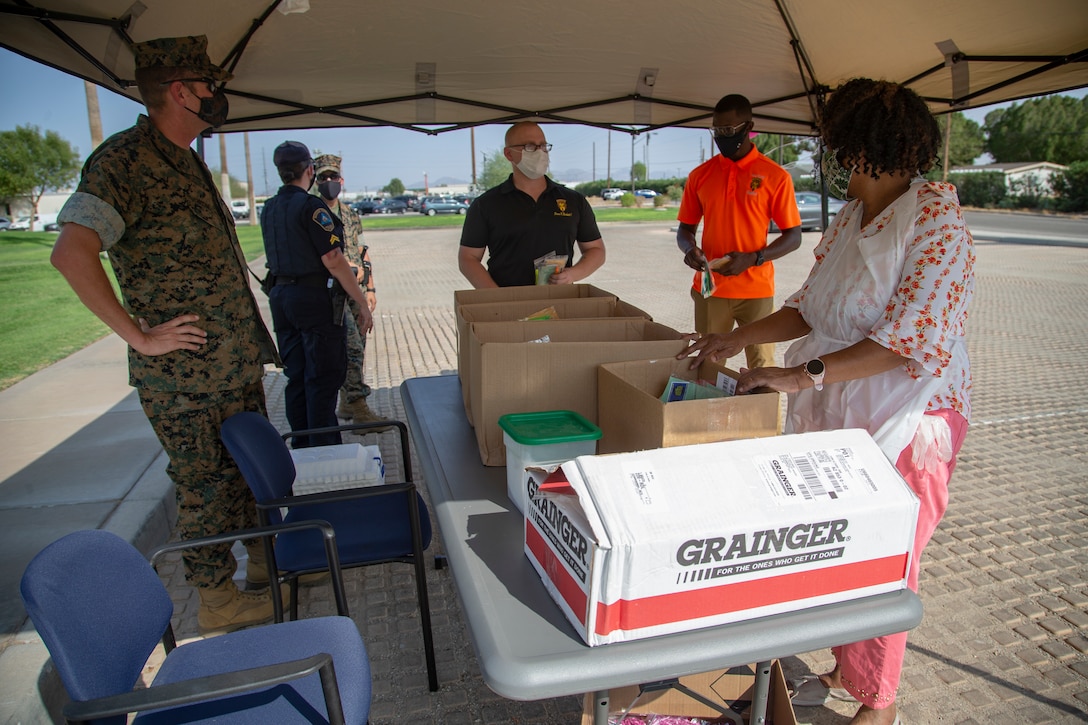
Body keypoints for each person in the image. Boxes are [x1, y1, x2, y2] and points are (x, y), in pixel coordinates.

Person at [681, 78, 975, 725]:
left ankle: (880, 703)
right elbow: (806, 308)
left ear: (862, 147)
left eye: (838, 146)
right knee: (844, 550)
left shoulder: (935, 218)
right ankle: (851, 667)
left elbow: (909, 344)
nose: (833, 158)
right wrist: (733, 337)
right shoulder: (851, 216)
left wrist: (797, 377)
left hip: (909, 421)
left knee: (886, 559)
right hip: (844, 413)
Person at [50, 35, 282, 635]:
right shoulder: (124, 160)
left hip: (229, 365)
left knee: (244, 474)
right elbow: (72, 253)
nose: (218, 97)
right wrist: (141, 337)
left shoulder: (184, 156)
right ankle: (218, 602)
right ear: (181, 92)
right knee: (204, 483)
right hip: (186, 378)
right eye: (210, 86)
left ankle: (264, 562)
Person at [676, 94, 802, 370]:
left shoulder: (775, 176)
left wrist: (754, 258)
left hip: (756, 290)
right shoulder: (701, 176)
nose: (722, 136)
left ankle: (761, 413)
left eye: (729, 130)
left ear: (748, 126)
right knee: (707, 362)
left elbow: (794, 237)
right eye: (717, 130)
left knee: (761, 365)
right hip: (711, 289)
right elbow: (685, 229)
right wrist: (689, 249)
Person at [261, 142, 374, 448]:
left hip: (281, 298)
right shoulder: (312, 208)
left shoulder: (270, 208)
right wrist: (362, 302)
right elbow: (333, 260)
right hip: (312, 300)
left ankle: (302, 446)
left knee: (297, 376)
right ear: (309, 171)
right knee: (323, 377)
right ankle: (324, 451)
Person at [459, 121, 606, 288]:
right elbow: (468, 258)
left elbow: (596, 250)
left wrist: (572, 274)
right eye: (529, 146)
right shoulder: (486, 204)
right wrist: (496, 296)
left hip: (559, 301)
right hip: (508, 304)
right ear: (509, 154)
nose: (539, 152)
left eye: (543, 146)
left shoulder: (574, 201)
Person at [311, 153, 382, 423]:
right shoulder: (314, 213)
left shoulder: (350, 215)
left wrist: (371, 289)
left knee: (359, 346)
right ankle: (360, 409)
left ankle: (346, 402)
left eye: (333, 177)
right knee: (350, 347)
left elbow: (364, 251)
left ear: (341, 180)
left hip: (357, 292)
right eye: (323, 178)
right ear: (316, 181)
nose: (329, 182)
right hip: (332, 294)